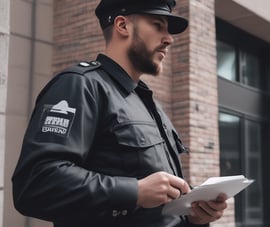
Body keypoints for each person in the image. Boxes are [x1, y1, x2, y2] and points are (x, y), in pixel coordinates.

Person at [12, 0, 228, 226]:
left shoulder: (149, 105)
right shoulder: (81, 86)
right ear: (122, 25)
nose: (169, 39)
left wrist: (193, 215)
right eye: (157, 25)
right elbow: (36, 184)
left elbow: (157, 209)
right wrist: (134, 192)